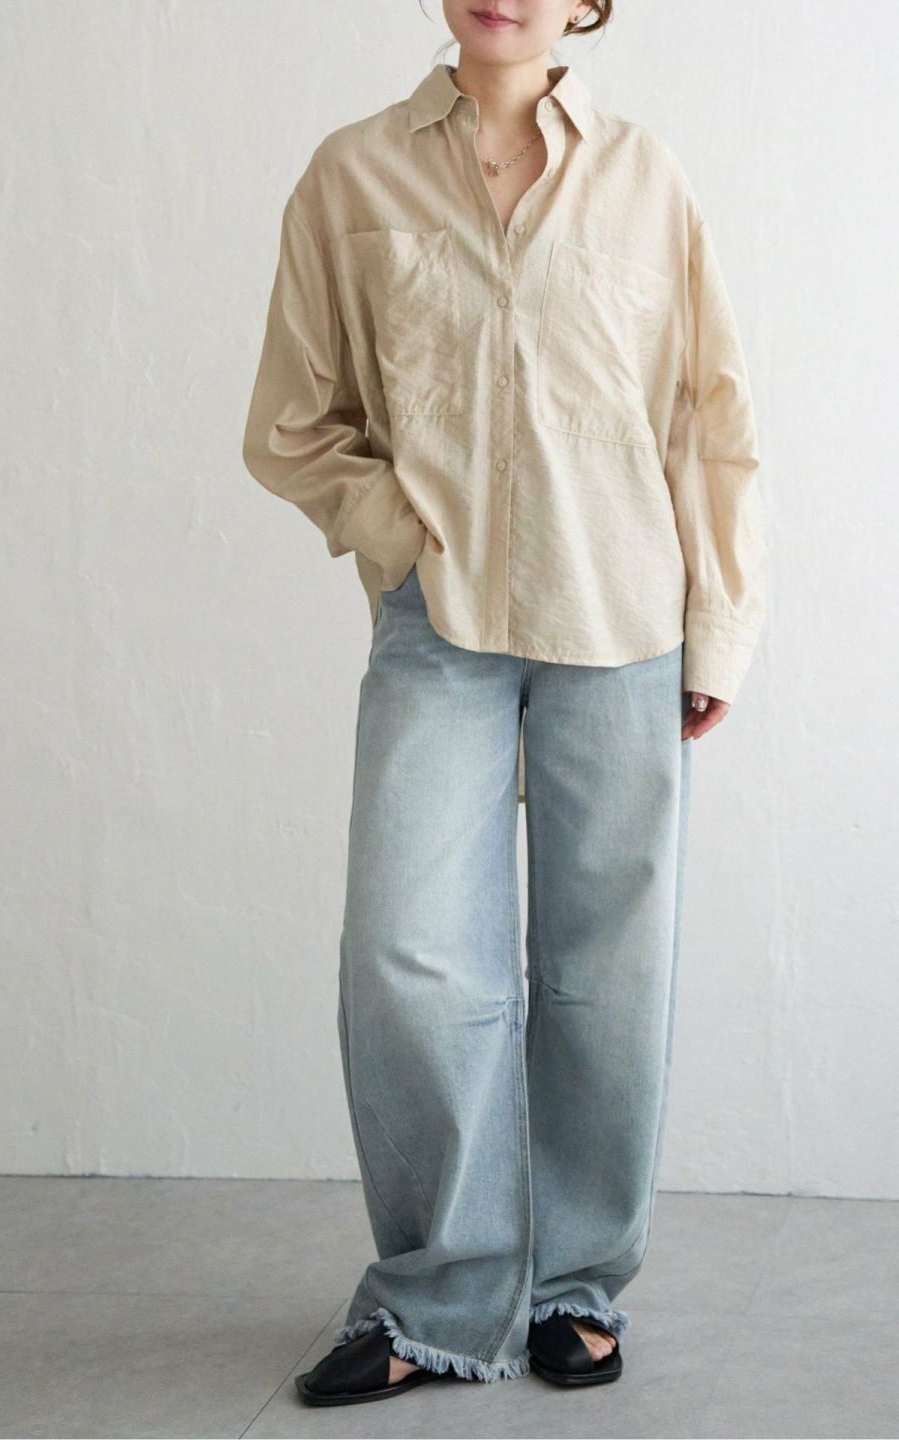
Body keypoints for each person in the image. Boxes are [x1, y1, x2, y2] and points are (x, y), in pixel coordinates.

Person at [241, 0, 766, 1407]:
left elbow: (707, 417)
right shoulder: (352, 175)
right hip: (442, 625)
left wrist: (717, 628)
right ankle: (437, 1298)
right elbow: (291, 423)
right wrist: (397, 531)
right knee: (408, 957)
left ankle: (575, 1286)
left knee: (607, 972)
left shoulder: (645, 179)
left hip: (622, 619)